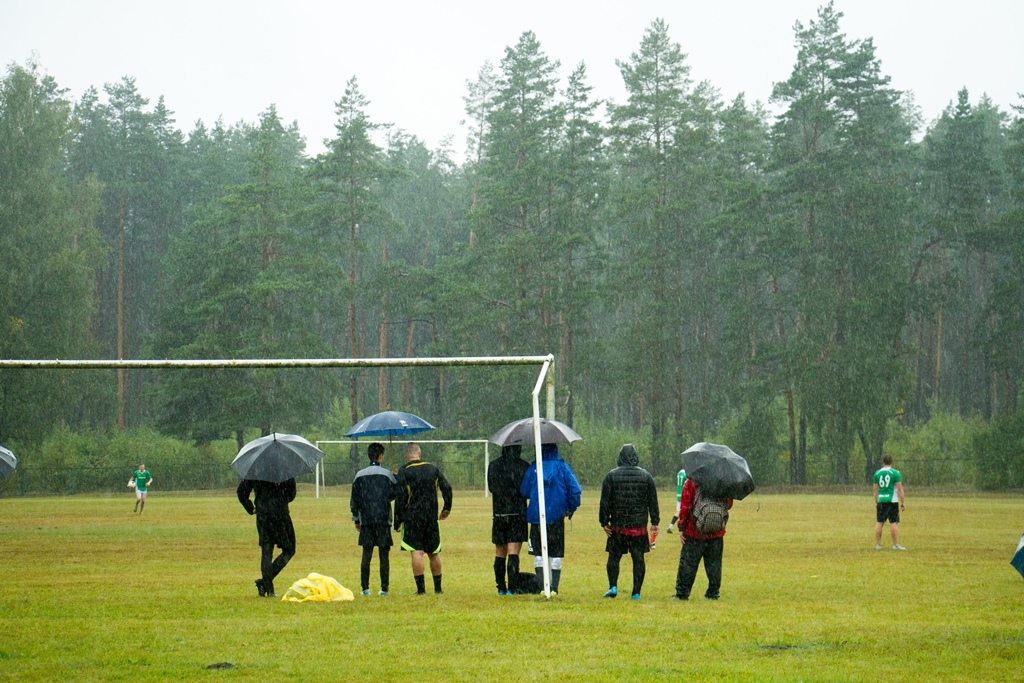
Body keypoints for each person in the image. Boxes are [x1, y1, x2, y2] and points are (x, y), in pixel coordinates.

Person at [599, 444, 660, 600]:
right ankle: (636, 592)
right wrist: (655, 521)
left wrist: (604, 522)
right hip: (638, 527)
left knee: (614, 557)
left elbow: (605, 502)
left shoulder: (611, 476)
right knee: (638, 559)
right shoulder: (646, 477)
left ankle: (613, 586)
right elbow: (653, 501)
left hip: (618, 526)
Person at [519, 442, 582, 596]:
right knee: (556, 553)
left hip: (536, 518)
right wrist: (569, 508)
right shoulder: (563, 468)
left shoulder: (534, 468)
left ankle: (542, 587)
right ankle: (554, 588)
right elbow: (575, 491)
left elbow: (524, 490)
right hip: (556, 518)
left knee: (539, 553)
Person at [393, 443, 453, 595]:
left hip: (412, 518)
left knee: (416, 552)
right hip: (431, 517)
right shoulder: (432, 469)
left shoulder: (404, 471)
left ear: (407, 456)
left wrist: (397, 520)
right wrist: (446, 509)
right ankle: (438, 589)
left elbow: (400, 498)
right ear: (419, 454)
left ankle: (421, 590)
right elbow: (447, 488)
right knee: (434, 552)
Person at [673, 477, 733, 600]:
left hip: (694, 531)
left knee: (688, 564)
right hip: (716, 532)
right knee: (714, 564)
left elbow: (685, 506)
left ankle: (682, 594)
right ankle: (713, 592)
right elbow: (728, 504)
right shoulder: (722, 480)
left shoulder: (692, 481)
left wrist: (682, 527)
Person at [237, 477, 296, 598]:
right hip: (281, 515)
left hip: (263, 515)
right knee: (289, 550)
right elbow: (292, 493)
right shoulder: (283, 469)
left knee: (267, 551)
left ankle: (268, 587)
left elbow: (241, 492)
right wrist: (281, 499)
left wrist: (251, 507)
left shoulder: (255, 471)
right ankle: (265, 582)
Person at [351, 442, 397, 596]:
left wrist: (356, 519)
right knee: (384, 556)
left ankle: (365, 588)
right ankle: (384, 589)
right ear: (381, 456)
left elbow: (354, 500)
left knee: (367, 555)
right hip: (383, 520)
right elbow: (393, 495)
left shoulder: (359, 475)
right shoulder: (387, 475)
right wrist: (395, 479)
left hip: (367, 521)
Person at [488, 444, 530, 595]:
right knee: (513, 551)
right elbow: (526, 491)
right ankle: (513, 588)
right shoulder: (524, 466)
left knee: (499, 552)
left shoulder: (493, 465)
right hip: (517, 513)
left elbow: (492, 488)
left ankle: (500, 587)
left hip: (499, 513)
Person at [873, 454, 906, 550]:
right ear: (891, 462)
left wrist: (877, 501)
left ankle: (878, 545)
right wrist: (903, 501)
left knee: (879, 522)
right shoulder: (895, 473)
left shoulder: (877, 473)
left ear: (883, 462)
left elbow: (875, 489)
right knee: (893, 522)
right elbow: (900, 489)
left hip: (881, 500)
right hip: (892, 501)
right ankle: (895, 545)